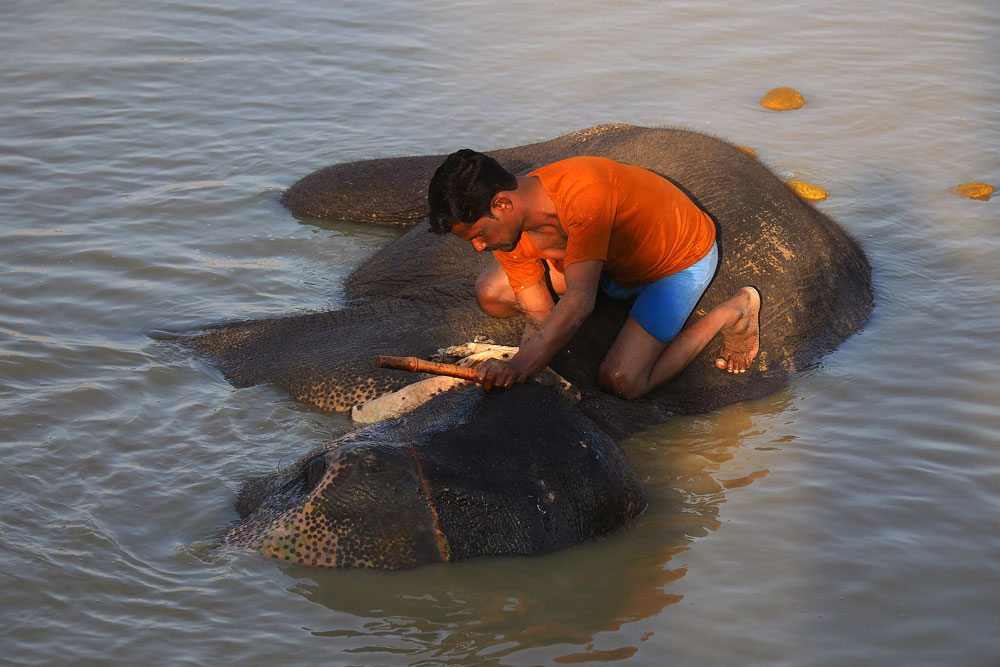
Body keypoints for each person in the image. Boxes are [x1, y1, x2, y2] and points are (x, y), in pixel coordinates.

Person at [427, 149, 760, 399]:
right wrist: (528, 356)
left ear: (502, 205)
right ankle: (609, 297)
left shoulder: (586, 192)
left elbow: (580, 301)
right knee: (491, 293)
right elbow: (539, 314)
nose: (480, 247)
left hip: (672, 263)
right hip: (602, 264)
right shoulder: (509, 230)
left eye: (479, 236)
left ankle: (735, 312)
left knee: (622, 381)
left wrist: (516, 366)